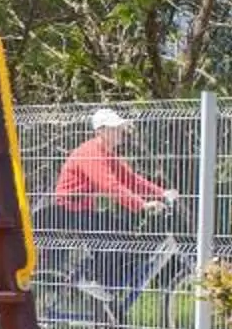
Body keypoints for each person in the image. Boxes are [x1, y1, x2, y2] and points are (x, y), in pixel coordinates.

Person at [49, 107, 178, 314]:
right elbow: (110, 186)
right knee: (114, 235)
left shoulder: (108, 153)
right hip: (68, 211)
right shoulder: (90, 153)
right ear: (101, 131)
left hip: (82, 210)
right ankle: (95, 282)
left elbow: (131, 180)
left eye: (120, 128)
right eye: (115, 129)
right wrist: (142, 205)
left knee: (123, 231)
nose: (120, 132)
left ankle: (106, 292)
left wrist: (161, 193)